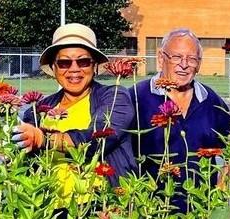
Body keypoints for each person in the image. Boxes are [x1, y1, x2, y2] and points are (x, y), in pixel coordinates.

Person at [129, 28, 230, 213]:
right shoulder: (136, 97)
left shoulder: (209, 99)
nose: (184, 65)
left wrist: (222, 187)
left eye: (192, 59)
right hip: (149, 209)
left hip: (200, 209)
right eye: (176, 57)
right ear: (161, 58)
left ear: (199, 64)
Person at [12, 23, 137, 186]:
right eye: (64, 63)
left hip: (100, 204)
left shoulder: (114, 97)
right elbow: (23, 149)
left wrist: (44, 139)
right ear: (53, 68)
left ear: (94, 66)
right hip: (47, 206)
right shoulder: (38, 110)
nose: (74, 69)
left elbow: (97, 138)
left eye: (83, 61)